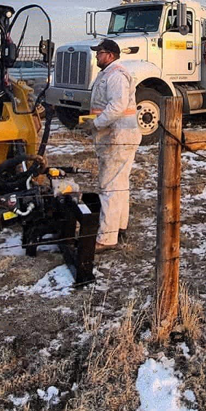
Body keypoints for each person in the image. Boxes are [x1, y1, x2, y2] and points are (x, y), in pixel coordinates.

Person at [83, 38, 141, 252]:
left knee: (109, 186)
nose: (96, 56)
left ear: (110, 55)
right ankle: (120, 227)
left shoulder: (116, 76)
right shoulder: (109, 74)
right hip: (119, 136)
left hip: (118, 137)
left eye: (99, 53)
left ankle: (107, 238)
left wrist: (96, 124)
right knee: (119, 184)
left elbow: (116, 106)